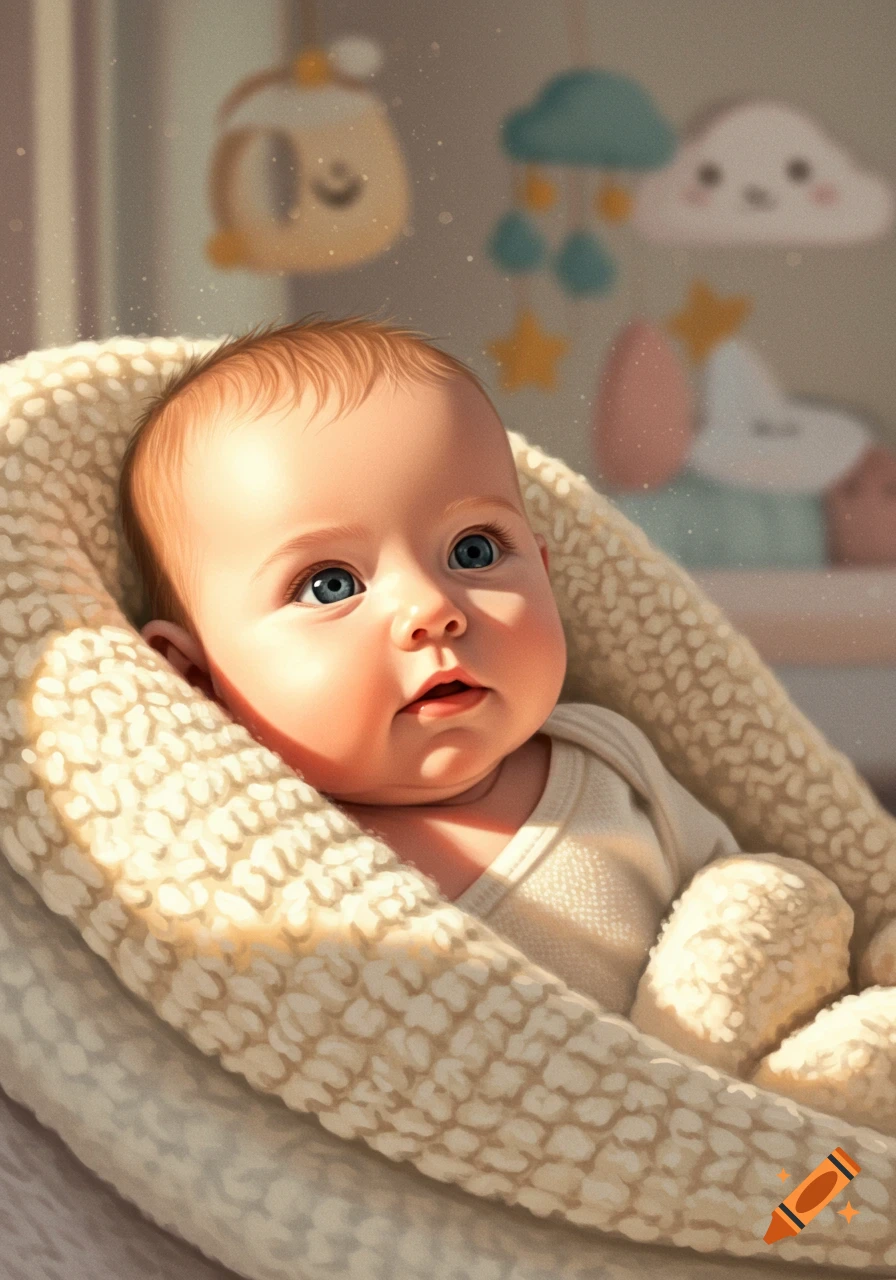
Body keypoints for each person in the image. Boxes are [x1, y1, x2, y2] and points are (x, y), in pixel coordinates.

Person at [117, 315, 859, 1069]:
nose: (431, 609)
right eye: (330, 583)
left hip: (723, 1134)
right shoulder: (279, 870)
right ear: (195, 680)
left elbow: (755, 928)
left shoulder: (612, 761)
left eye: (474, 551)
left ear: (542, 567)